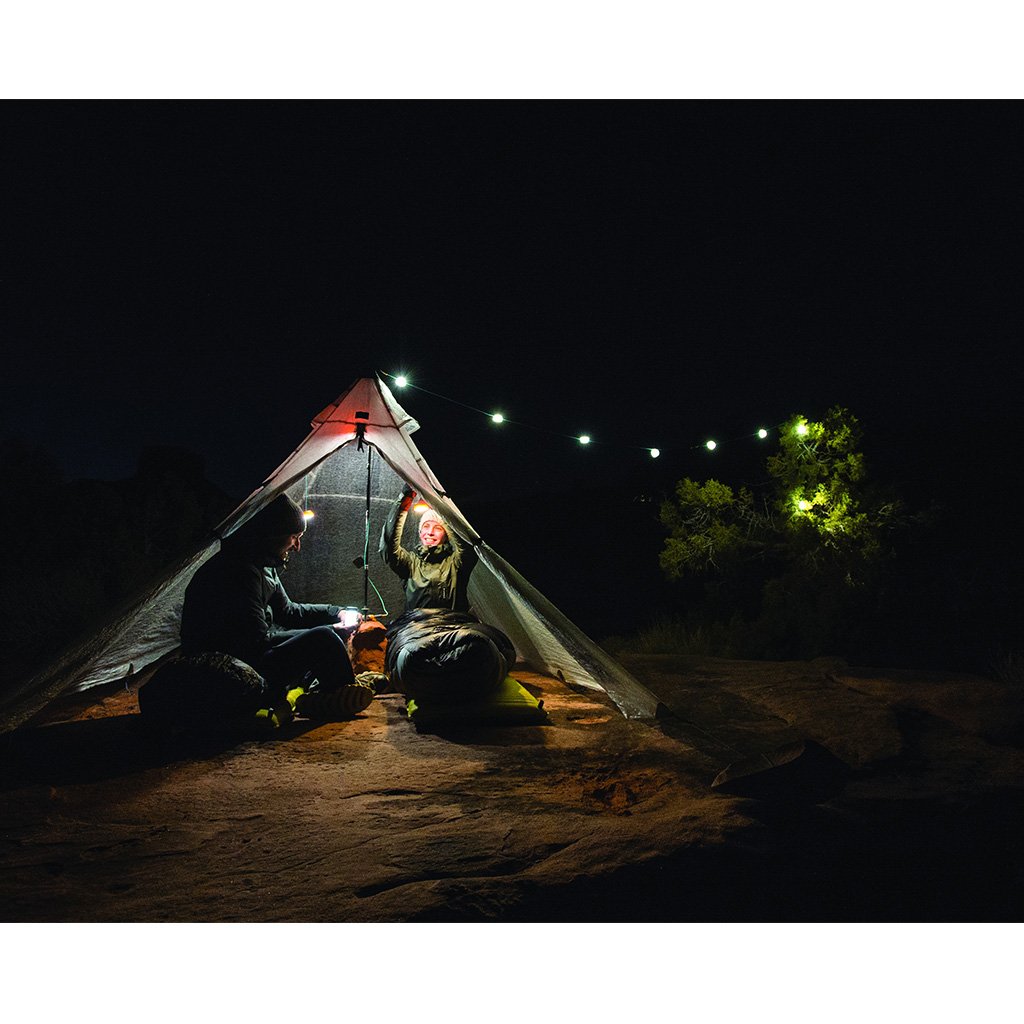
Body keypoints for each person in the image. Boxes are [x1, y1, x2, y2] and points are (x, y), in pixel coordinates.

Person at [180, 493, 373, 721]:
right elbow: (254, 642)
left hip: (255, 651)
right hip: (232, 665)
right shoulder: (237, 571)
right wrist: (330, 631)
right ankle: (337, 696)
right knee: (324, 639)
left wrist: (337, 612)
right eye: (294, 537)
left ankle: (329, 693)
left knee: (320, 640)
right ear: (271, 535)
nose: (297, 546)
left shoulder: (263, 565)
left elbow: (289, 611)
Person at [379, 484, 478, 613]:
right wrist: (405, 498)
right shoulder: (410, 564)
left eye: (437, 528)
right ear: (420, 533)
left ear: (447, 534)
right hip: (417, 626)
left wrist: (441, 507)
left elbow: (467, 546)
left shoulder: (456, 564)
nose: (430, 532)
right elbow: (389, 545)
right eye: (425, 526)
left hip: (451, 626)